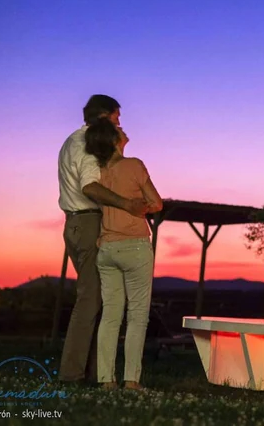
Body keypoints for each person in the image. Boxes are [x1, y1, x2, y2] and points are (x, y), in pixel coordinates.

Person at [57, 95, 148, 384]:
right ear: (105, 117)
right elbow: (90, 187)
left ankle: (96, 373)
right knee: (92, 299)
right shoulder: (85, 144)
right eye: (117, 117)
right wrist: (127, 204)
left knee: (100, 299)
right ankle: (71, 375)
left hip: (77, 223)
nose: (120, 122)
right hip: (87, 222)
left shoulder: (73, 140)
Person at [85, 119, 163, 390]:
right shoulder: (134, 165)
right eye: (118, 128)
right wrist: (142, 207)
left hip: (106, 248)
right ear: (114, 139)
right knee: (138, 314)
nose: (122, 128)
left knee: (110, 315)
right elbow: (157, 202)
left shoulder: (99, 172)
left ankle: (106, 380)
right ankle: (131, 380)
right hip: (134, 246)